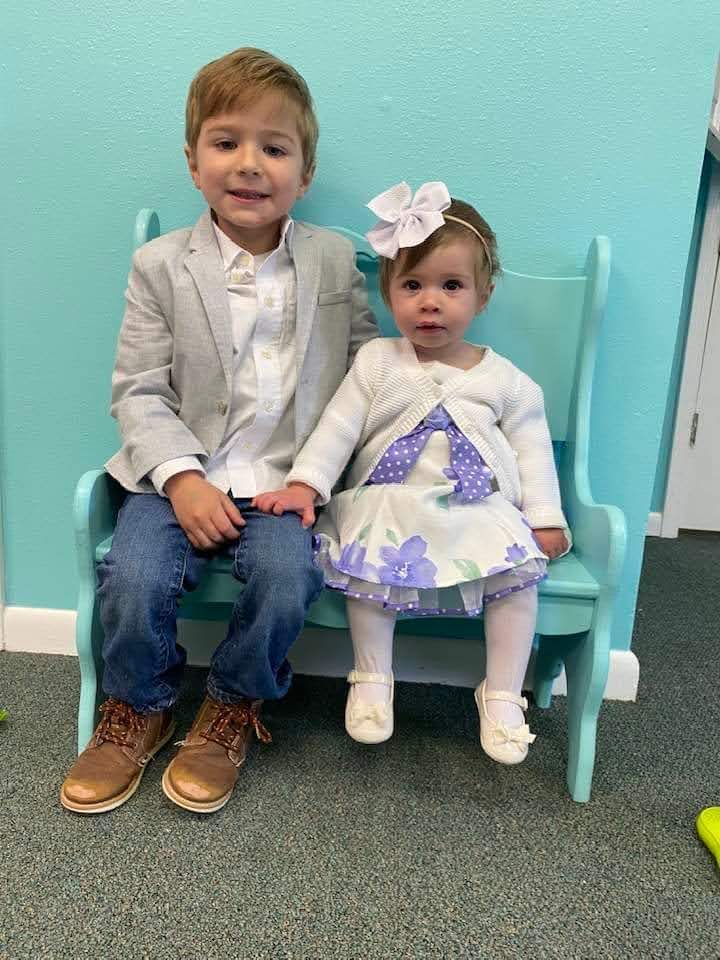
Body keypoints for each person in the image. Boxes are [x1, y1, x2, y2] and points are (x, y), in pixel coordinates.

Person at [60, 48, 377, 815]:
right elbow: (137, 390)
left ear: (304, 171)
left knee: (285, 576)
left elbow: (368, 373)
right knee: (133, 577)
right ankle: (138, 703)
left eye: (275, 148)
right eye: (227, 142)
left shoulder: (336, 261)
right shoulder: (160, 265)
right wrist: (182, 477)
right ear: (194, 160)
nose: (250, 164)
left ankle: (233, 702)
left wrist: (320, 478)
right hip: (174, 480)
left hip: (285, 483)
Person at [253, 180, 569, 765]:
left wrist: (545, 518)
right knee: (370, 576)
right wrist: (306, 484)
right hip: (388, 502)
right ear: (388, 292)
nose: (430, 302)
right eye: (413, 286)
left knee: (518, 578)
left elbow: (531, 450)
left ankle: (502, 691)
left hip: (475, 509)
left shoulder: (506, 381)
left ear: (483, 295)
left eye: (451, 286)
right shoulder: (376, 362)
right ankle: (372, 679)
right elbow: (338, 430)